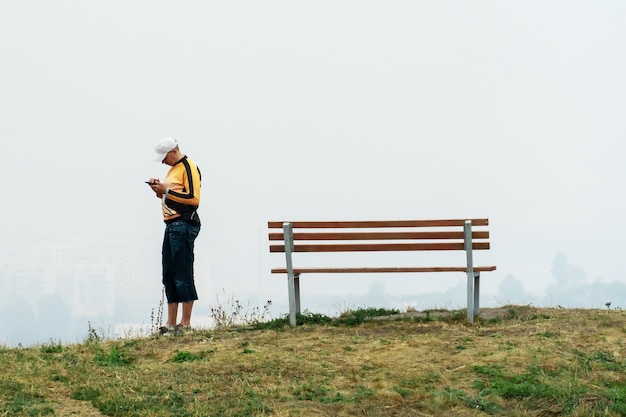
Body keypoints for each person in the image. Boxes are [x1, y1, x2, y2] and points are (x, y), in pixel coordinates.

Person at [147, 137, 202, 335]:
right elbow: (172, 195)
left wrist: (166, 191)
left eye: (164, 158)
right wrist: (159, 190)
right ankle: (171, 322)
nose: (163, 162)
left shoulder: (189, 166)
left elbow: (193, 199)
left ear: (173, 151)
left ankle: (185, 323)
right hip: (171, 225)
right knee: (169, 273)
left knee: (182, 272)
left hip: (184, 223)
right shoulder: (173, 170)